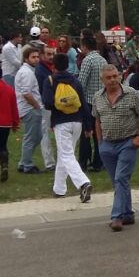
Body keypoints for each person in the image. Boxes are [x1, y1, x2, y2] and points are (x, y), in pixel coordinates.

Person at [94, 63, 139, 231]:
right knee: (119, 181)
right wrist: (100, 142)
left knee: (120, 178)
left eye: (114, 76)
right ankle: (127, 213)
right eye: (108, 78)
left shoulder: (131, 94)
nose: (112, 80)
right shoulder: (98, 97)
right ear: (102, 80)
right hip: (107, 145)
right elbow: (97, 119)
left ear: (120, 76)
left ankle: (116, 217)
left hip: (128, 142)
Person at [46, 52, 93, 202]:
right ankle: (59, 189)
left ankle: (83, 183)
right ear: (68, 64)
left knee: (66, 155)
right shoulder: (75, 81)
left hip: (61, 122)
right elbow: (84, 105)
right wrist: (88, 126)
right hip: (77, 121)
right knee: (65, 154)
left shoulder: (50, 80)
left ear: (53, 65)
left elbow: (47, 102)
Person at [76, 33, 109, 172]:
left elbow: (81, 83)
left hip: (88, 101)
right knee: (98, 134)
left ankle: (83, 161)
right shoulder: (103, 60)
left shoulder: (87, 60)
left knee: (86, 133)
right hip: (101, 100)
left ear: (84, 47)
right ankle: (98, 162)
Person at [15, 46, 50, 173]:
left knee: (37, 136)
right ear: (26, 58)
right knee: (31, 137)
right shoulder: (27, 72)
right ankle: (27, 165)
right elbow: (26, 93)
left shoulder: (28, 71)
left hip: (29, 107)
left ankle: (23, 161)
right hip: (30, 109)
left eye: (37, 57)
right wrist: (36, 106)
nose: (36, 60)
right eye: (33, 57)